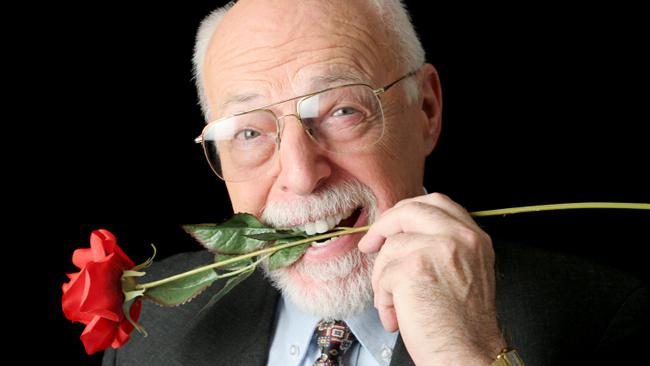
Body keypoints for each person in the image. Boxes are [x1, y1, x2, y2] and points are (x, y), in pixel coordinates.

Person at [103, 1, 648, 365]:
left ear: (427, 110)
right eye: (249, 131)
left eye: (341, 110)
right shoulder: (152, 325)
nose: (301, 176)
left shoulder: (604, 318)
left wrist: (468, 352)